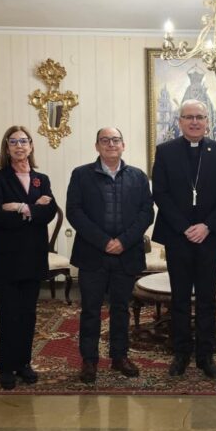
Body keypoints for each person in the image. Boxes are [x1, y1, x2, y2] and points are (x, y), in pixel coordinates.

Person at [151, 99, 216, 379]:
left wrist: (207, 226)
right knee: (179, 298)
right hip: (178, 236)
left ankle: (205, 355)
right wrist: (185, 227)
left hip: (209, 237)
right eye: (189, 117)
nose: (195, 122)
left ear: (207, 121)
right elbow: (160, 193)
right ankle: (181, 353)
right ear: (180, 121)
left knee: (207, 299)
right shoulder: (165, 151)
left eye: (200, 117)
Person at [66, 127, 154, 383]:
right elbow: (74, 212)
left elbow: (147, 213)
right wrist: (104, 242)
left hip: (126, 254)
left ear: (123, 145)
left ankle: (119, 357)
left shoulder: (138, 176)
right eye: (105, 140)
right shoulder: (81, 175)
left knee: (121, 309)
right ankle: (89, 361)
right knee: (90, 310)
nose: (111, 144)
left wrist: (123, 241)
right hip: (92, 254)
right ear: (97, 146)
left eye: (116, 140)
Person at [0, 125, 57, 390]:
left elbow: (49, 212)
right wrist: (32, 210)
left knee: (28, 314)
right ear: (7, 147)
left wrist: (18, 207)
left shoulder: (41, 179)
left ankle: (24, 363)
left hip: (33, 256)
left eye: (24, 141)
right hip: (7, 258)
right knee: (8, 314)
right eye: (13, 142)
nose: (19, 146)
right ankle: (6, 367)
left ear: (31, 146)